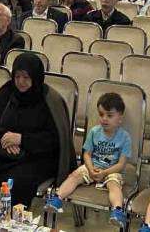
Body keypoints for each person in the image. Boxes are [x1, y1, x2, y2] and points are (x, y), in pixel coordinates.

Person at [0, 53, 74, 215]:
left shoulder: (50, 100)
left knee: (13, 182)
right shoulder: (7, 92)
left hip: (36, 157)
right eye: (17, 76)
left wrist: (22, 140)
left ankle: (10, 223)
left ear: (36, 77)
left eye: (26, 77)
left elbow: (54, 140)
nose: (21, 81)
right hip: (4, 150)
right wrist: (4, 136)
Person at [56, 92, 132, 227]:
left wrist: (104, 173)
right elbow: (87, 154)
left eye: (109, 115)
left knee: (114, 185)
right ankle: (57, 198)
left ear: (120, 118)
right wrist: (90, 169)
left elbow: (121, 164)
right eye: (101, 114)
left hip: (112, 171)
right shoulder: (94, 132)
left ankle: (117, 210)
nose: (104, 119)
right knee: (74, 176)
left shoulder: (125, 137)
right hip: (93, 166)